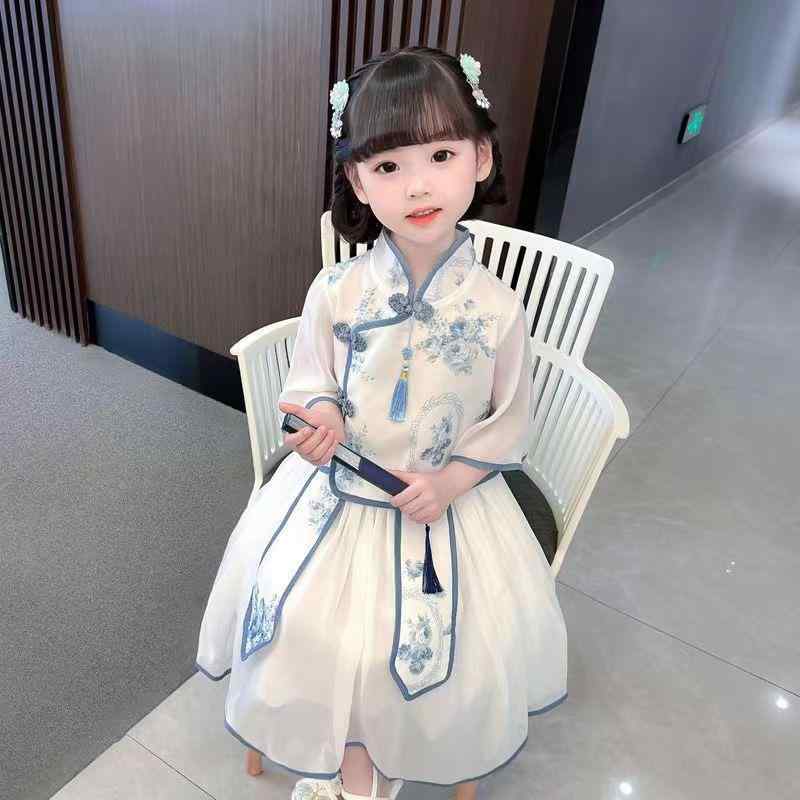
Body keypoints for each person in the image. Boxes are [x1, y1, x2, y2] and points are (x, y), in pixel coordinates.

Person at [195, 46, 568, 800]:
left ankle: (383, 754)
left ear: (482, 158)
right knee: (303, 619)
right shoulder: (335, 289)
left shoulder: (498, 308)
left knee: (438, 640)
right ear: (359, 183)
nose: (418, 184)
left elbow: (510, 418)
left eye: (441, 155)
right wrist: (320, 416)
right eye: (389, 166)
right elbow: (310, 381)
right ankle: (348, 760)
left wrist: (454, 479)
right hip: (337, 496)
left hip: (444, 504)